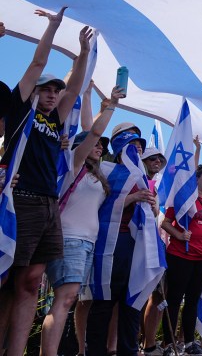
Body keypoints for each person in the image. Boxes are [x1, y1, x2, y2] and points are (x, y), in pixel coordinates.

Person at [0, 8, 93, 356]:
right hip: (20, 200)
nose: (53, 94)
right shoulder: (21, 109)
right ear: (33, 92)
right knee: (8, 282)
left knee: (30, 284)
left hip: (48, 205)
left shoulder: (57, 121)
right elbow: (37, 65)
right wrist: (53, 27)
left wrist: (84, 53)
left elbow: (76, 87)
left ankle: (17, 351)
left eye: (56, 90)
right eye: (46, 90)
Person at [40, 86, 124, 356]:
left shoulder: (97, 175)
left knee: (70, 300)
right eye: (95, 145)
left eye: (101, 147)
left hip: (87, 243)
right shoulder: (72, 165)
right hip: (69, 239)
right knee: (64, 300)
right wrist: (109, 105)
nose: (99, 147)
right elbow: (94, 131)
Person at [85, 128, 161, 356]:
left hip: (137, 243)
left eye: (140, 147)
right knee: (105, 298)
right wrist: (133, 198)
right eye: (132, 147)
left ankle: (128, 349)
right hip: (112, 241)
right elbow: (103, 204)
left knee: (132, 299)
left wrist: (152, 203)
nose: (137, 150)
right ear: (120, 151)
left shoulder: (143, 178)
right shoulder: (107, 171)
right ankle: (95, 351)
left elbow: (154, 213)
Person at [159, 165, 202, 355]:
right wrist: (178, 235)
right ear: (196, 179)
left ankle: (189, 343)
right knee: (174, 299)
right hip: (181, 256)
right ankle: (169, 345)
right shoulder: (184, 199)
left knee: (192, 301)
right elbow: (165, 222)